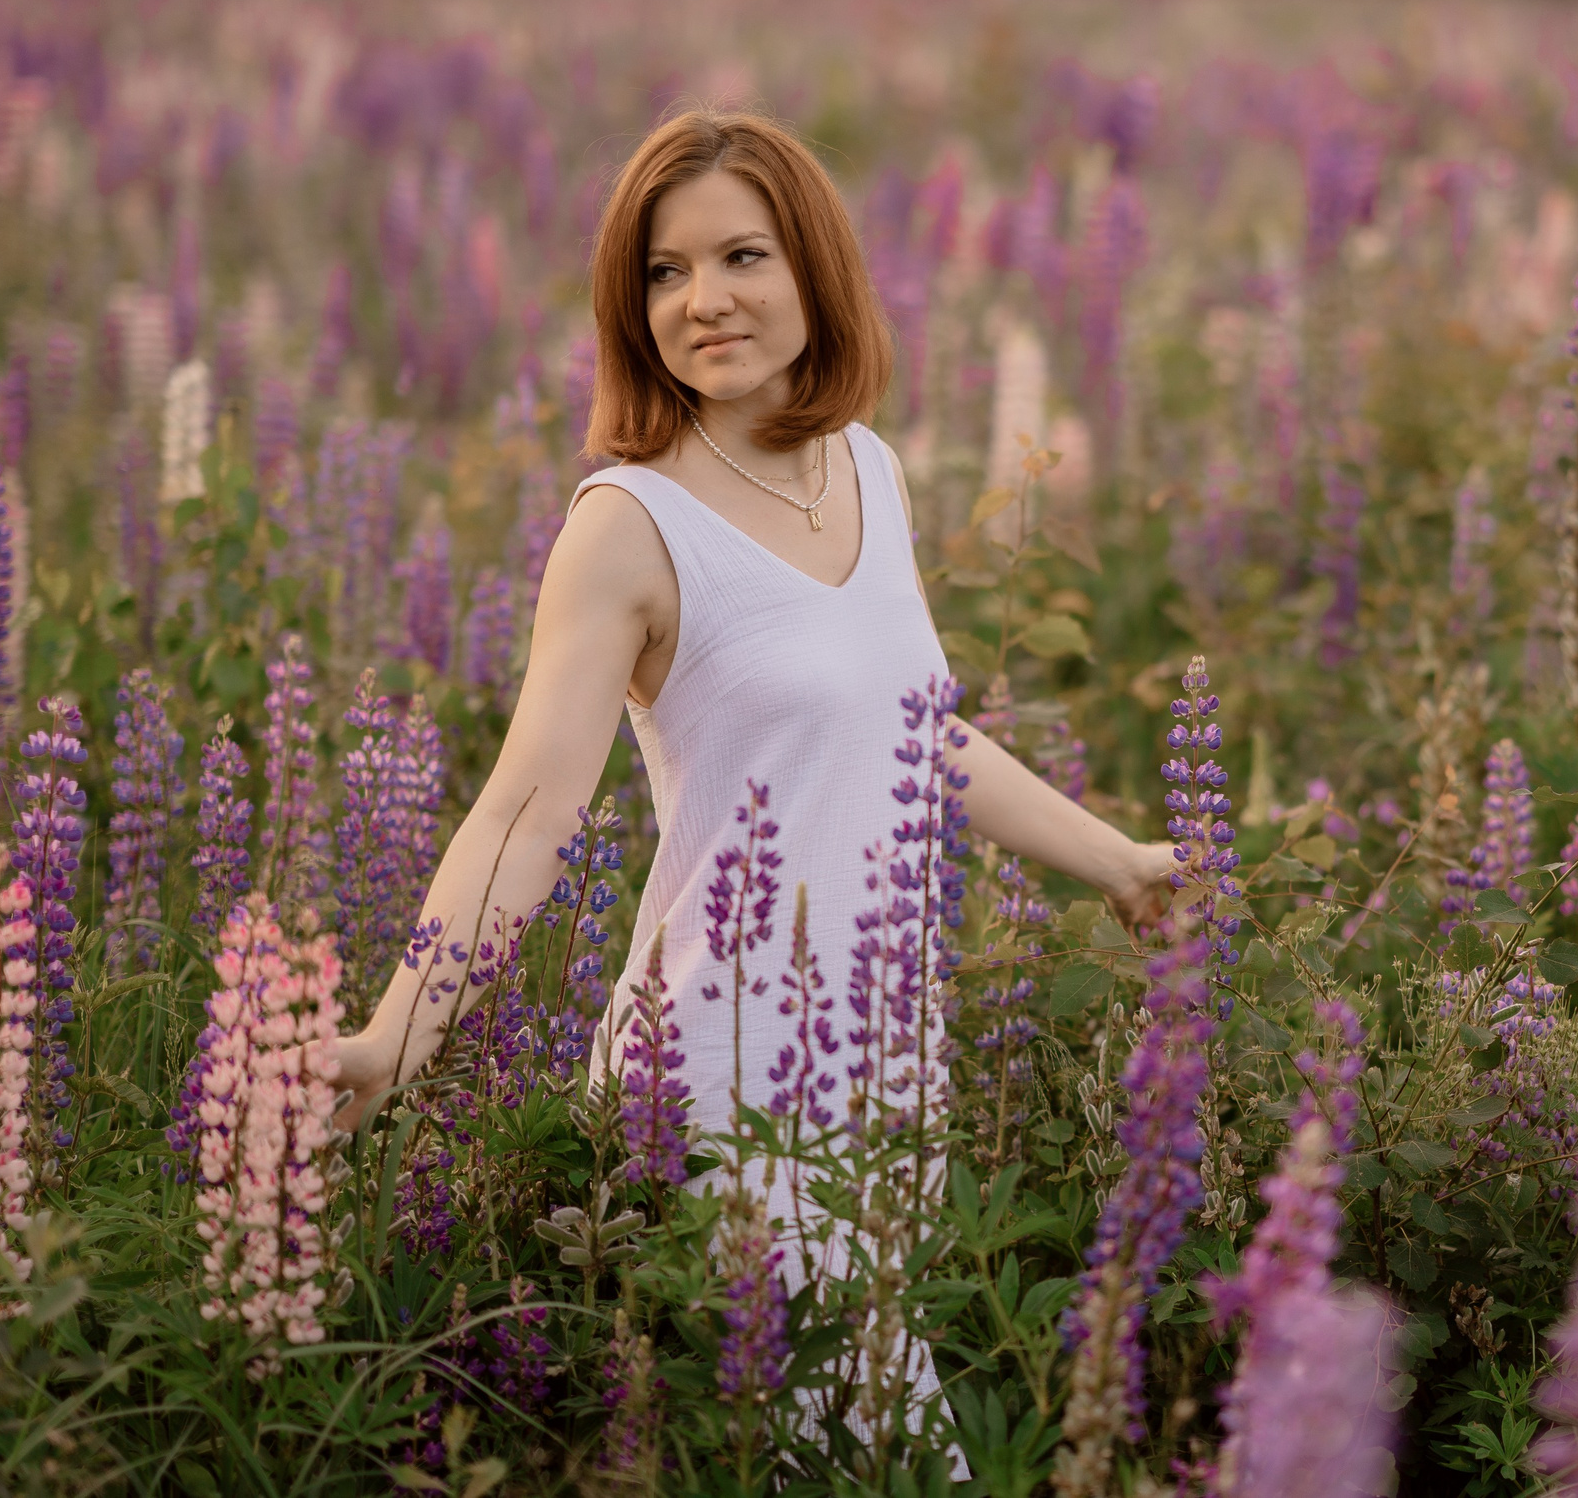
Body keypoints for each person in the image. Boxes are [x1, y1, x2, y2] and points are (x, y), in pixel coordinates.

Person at [328, 108, 1174, 1160]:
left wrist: (1121, 864)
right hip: (707, 1090)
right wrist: (396, 1037)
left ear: (814, 268)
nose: (705, 300)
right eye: (665, 272)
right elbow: (528, 814)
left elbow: (908, 734)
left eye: (742, 256)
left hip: (886, 1075)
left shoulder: (867, 467)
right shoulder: (627, 525)